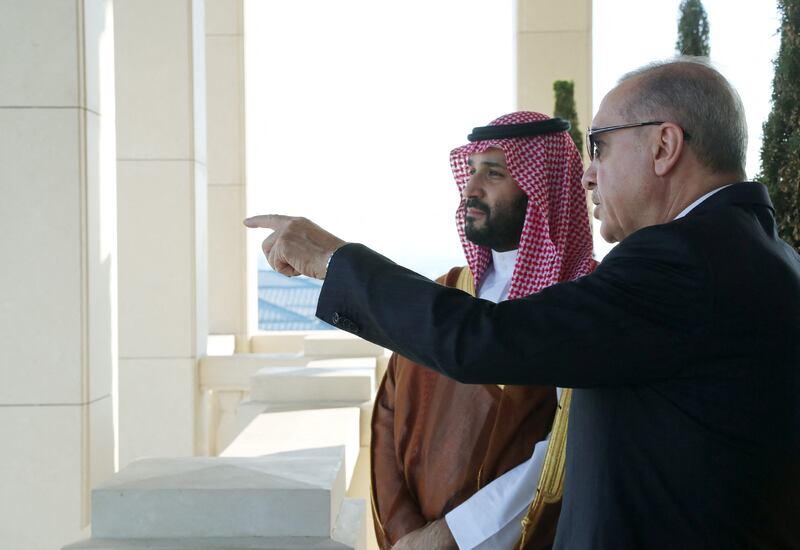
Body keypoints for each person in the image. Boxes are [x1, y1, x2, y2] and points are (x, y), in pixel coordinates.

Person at [245, 58, 800, 549]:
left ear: (663, 146)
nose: (589, 172)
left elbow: (484, 342)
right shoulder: (753, 250)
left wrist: (334, 259)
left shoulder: (683, 260)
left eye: (600, 145)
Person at [370, 112, 595, 550]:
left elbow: (560, 457)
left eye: (494, 174)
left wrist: (449, 538)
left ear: (541, 189)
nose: (471, 189)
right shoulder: (443, 293)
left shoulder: (582, 304)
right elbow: (388, 416)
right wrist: (404, 534)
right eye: (471, 171)